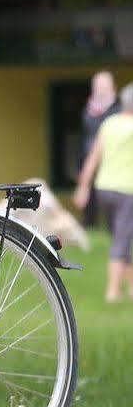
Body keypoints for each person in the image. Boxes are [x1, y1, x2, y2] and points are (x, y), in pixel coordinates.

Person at [74, 80, 133, 303]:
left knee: (120, 236)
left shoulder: (109, 123)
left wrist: (83, 187)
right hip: (126, 189)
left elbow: (93, 157)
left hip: (104, 188)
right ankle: (112, 292)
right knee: (122, 239)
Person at [79, 71, 121, 228]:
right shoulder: (88, 110)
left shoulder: (119, 109)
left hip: (110, 160)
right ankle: (89, 225)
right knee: (89, 199)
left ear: (113, 88)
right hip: (89, 157)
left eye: (105, 87)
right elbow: (84, 137)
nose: (102, 91)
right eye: (99, 87)